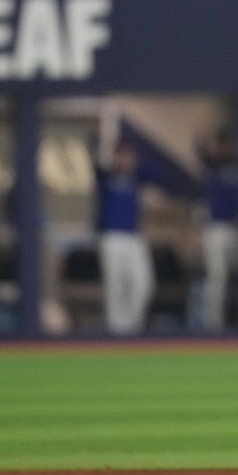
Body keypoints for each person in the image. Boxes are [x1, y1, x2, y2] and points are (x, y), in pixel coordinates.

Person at [95, 141, 157, 334]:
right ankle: (115, 330)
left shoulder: (136, 176)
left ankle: (132, 328)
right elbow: (93, 157)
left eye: (127, 155)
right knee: (115, 285)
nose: (124, 159)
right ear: (114, 157)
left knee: (143, 283)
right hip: (111, 236)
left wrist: (135, 162)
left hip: (133, 237)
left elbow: (157, 172)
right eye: (120, 155)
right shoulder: (106, 176)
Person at [198, 128, 238, 332]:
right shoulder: (213, 165)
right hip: (216, 227)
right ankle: (212, 324)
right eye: (221, 144)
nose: (225, 148)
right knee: (217, 276)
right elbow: (199, 148)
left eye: (228, 144)